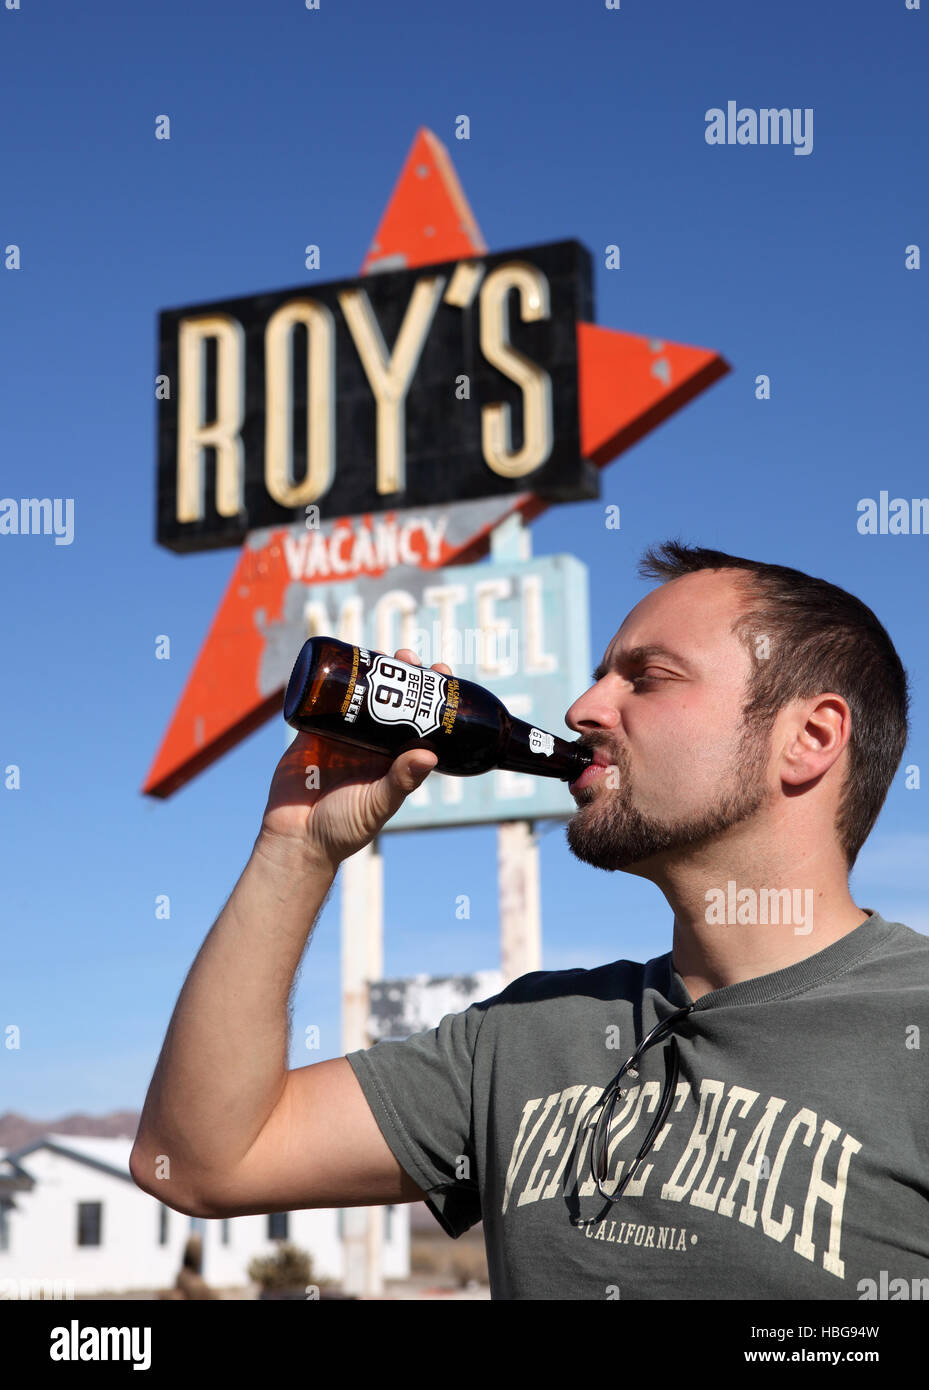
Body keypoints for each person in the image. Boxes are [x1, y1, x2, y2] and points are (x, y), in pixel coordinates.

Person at [130, 541, 927, 1301]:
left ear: (809, 738)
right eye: (595, 679)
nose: (583, 709)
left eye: (645, 678)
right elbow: (197, 1162)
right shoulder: (525, 1034)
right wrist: (297, 848)